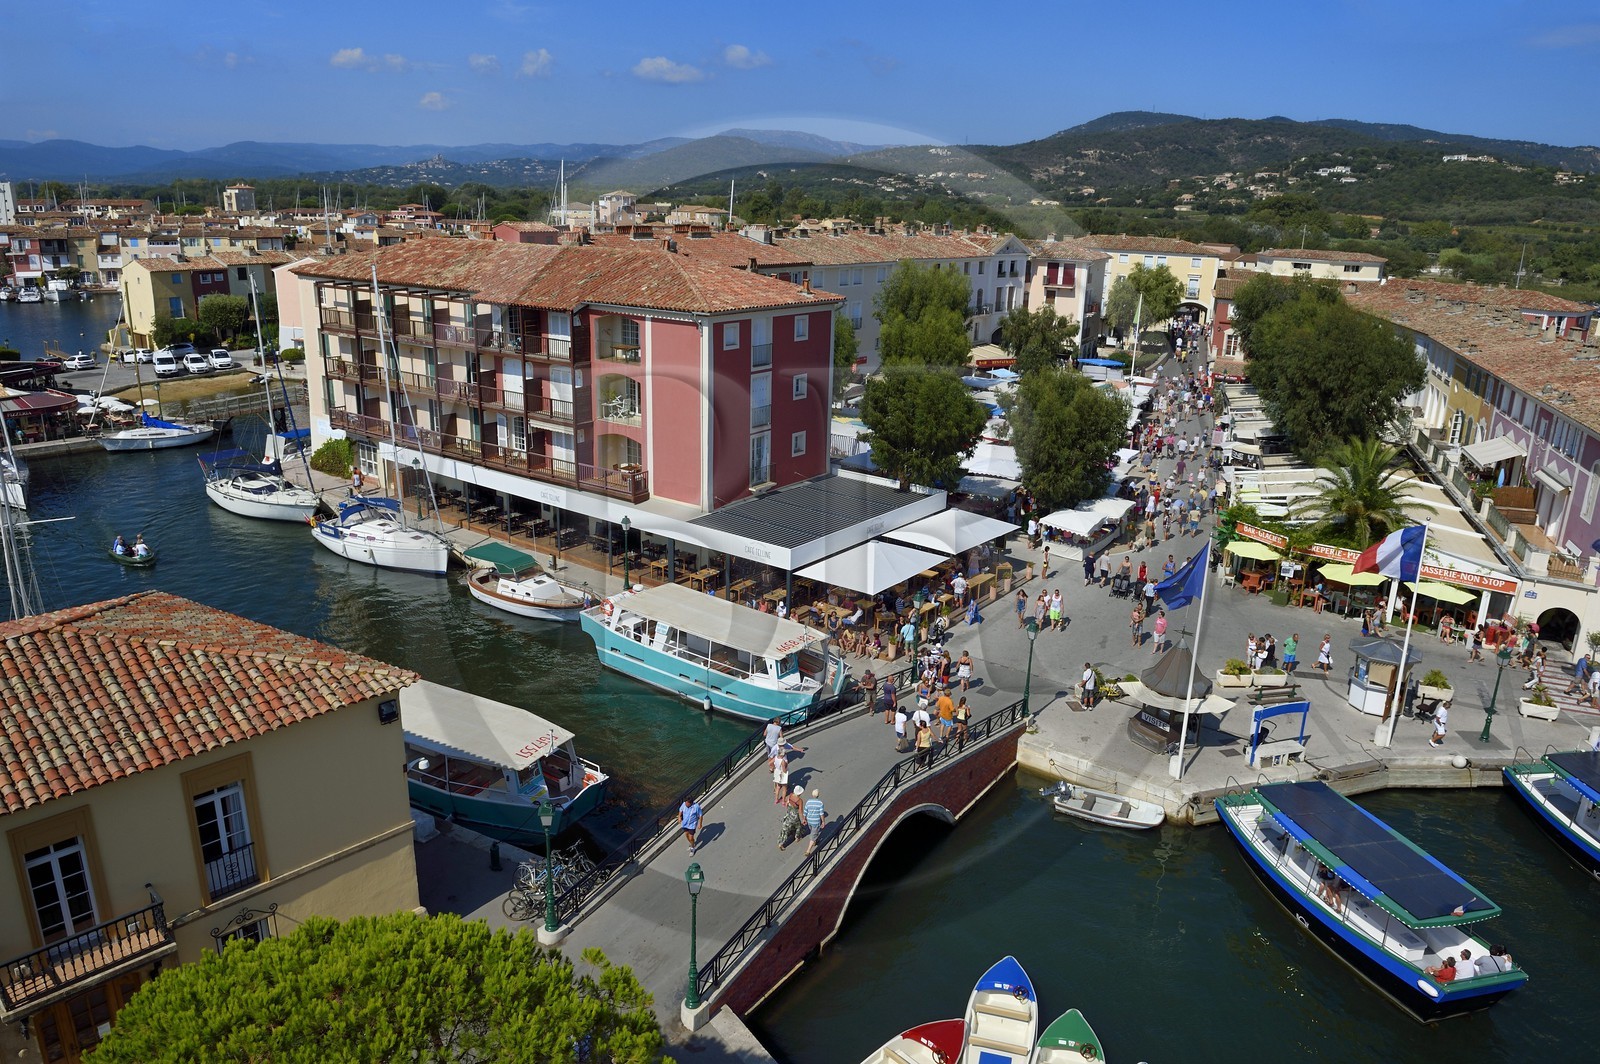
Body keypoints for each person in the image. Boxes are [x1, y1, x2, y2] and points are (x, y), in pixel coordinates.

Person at [778, 786, 804, 850]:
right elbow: (800, 811)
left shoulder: (791, 795)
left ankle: (781, 843)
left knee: (786, 829)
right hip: (794, 816)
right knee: (798, 826)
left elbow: (787, 803)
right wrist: (803, 819)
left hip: (789, 814)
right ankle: (797, 837)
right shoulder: (799, 800)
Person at [802, 788, 827, 856]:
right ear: (818, 795)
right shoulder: (820, 803)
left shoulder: (808, 802)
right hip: (816, 822)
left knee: (813, 832)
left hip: (809, 820)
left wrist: (804, 819)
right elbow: (821, 814)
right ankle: (808, 850)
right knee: (813, 834)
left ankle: (815, 841)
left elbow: (805, 811)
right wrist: (823, 822)